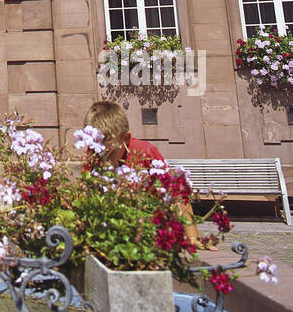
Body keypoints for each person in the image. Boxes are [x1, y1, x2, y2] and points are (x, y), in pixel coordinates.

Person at [82, 100, 203, 249]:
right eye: (95, 148)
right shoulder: (94, 156)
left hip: (149, 226)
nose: (101, 156)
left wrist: (191, 235)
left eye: (109, 151)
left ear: (126, 139)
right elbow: (87, 192)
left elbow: (176, 192)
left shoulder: (144, 152)